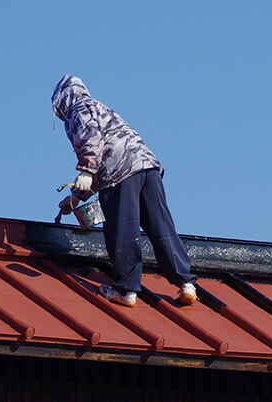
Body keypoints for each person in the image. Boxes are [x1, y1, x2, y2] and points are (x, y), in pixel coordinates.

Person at [53, 74, 197, 308]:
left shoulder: (78, 110)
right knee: (160, 225)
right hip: (147, 168)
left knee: (122, 229)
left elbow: (92, 141)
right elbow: (107, 151)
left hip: (120, 173)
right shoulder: (102, 108)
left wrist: (86, 172)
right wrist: (76, 197)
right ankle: (186, 283)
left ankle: (127, 290)